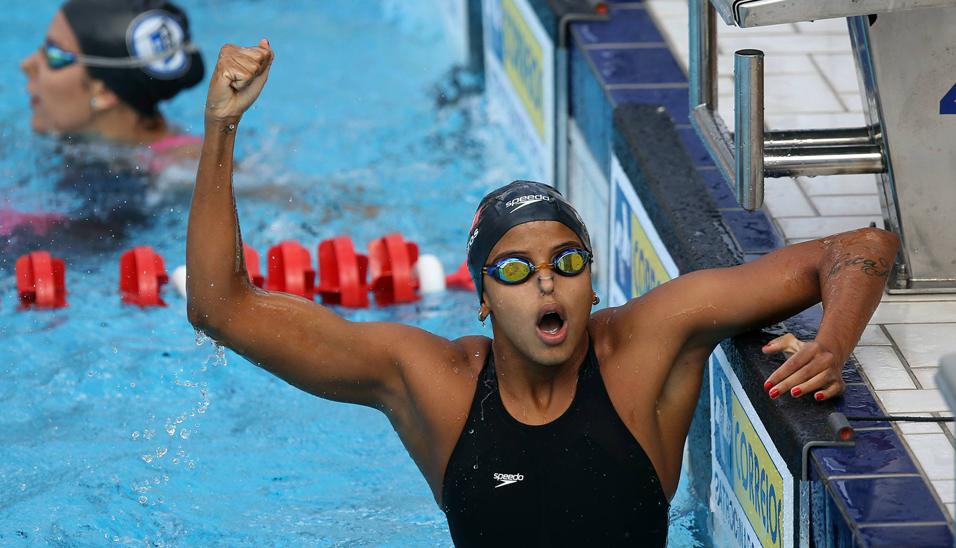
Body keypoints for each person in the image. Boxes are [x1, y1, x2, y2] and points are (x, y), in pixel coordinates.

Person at [186, 41, 900, 546]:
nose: (547, 280)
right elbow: (220, 308)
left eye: (566, 260)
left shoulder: (647, 345)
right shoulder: (432, 383)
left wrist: (830, 344)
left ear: (592, 281)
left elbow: (859, 248)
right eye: (516, 270)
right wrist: (221, 127)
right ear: (482, 299)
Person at [4, 0, 206, 257]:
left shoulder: (177, 169)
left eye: (55, 55)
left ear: (104, 92)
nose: (27, 64)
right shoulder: (76, 140)